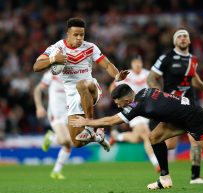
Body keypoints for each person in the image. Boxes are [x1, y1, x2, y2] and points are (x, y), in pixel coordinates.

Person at [69, 84, 203, 190]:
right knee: (154, 136)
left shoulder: (137, 104)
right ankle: (164, 178)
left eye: (120, 103)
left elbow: (112, 121)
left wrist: (86, 122)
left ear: (128, 99)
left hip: (195, 119)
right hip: (181, 117)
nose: (120, 106)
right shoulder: (145, 92)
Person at [33, 17, 129, 150]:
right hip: (73, 97)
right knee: (76, 143)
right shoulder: (57, 48)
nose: (79, 38)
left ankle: (90, 127)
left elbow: (106, 65)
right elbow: (36, 66)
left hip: (91, 88)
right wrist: (53, 59)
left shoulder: (90, 47)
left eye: (82, 35)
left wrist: (117, 75)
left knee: (81, 84)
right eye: (76, 35)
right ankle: (98, 137)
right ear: (68, 34)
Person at [147, 28, 203, 184]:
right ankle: (157, 158)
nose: (183, 38)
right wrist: (157, 93)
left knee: (195, 139)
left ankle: (195, 176)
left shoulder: (193, 60)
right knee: (169, 144)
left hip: (189, 104)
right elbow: (151, 77)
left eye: (185, 36)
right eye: (179, 36)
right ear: (174, 41)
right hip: (172, 105)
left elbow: (194, 78)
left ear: (189, 41)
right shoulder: (166, 58)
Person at [109, 55, 159, 171]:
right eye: (135, 63)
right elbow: (112, 89)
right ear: (131, 64)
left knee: (138, 138)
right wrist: (118, 99)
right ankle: (157, 164)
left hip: (146, 108)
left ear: (142, 63)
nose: (137, 65)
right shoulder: (127, 75)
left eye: (139, 63)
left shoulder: (147, 74)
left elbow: (155, 88)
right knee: (146, 135)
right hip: (132, 107)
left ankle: (117, 136)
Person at [34, 70, 72, 179]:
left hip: (69, 113)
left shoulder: (74, 74)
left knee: (69, 143)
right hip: (56, 113)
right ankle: (51, 137)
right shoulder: (51, 75)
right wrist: (39, 107)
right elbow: (37, 89)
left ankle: (56, 171)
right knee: (66, 140)